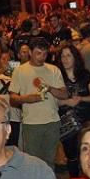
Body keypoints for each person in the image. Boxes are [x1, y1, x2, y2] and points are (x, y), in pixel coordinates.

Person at [10, 37, 68, 172]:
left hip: (52, 121)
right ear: (30, 52)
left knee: (49, 161)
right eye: (38, 53)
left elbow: (64, 94)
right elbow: (12, 98)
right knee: (32, 163)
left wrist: (50, 89)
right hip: (31, 123)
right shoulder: (20, 70)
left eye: (45, 54)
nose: (41, 57)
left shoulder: (53, 70)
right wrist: (26, 98)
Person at [55, 44, 90, 177]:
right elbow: (51, 100)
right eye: (62, 56)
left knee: (87, 151)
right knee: (71, 156)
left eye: (69, 55)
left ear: (75, 57)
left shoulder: (85, 75)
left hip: (85, 120)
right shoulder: (57, 76)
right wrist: (66, 101)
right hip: (66, 123)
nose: (65, 59)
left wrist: (81, 98)